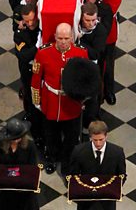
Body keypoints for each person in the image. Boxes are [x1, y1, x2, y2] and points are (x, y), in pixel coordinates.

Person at [31, 23, 89, 174]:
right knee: (51, 135)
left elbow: (85, 79)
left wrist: (82, 98)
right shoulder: (43, 53)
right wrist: (37, 100)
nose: (63, 42)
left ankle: (67, 164)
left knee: (71, 138)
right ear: (55, 37)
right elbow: (36, 78)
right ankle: (51, 158)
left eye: (66, 38)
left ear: (72, 37)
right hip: (51, 101)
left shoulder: (81, 53)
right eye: (60, 38)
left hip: (71, 102)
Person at [68, 120, 126, 210]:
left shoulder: (117, 152)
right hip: (86, 200)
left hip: (107, 200)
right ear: (90, 137)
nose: (98, 143)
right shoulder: (78, 151)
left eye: (101, 139)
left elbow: (122, 175)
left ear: (106, 136)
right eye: (95, 140)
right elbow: (73, 176)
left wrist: (110, 190)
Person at [0, 118, 39, 210]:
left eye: (20, 137)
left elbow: (32, 168)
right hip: (5, 190)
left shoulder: (30, 146)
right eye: (14, 138)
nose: (17, 140)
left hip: (22, 190)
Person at [13, 4, 44, 150]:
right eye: (27, 21)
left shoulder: (41, 28)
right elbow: (23, 55)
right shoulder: (20, 33)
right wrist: (37, 49)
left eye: (32, 20)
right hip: (28, 72)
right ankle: (36, 132)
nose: (30, 24)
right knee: (31, 99)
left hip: (42, 73)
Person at [94, 0, 121, 105]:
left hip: (108, 33)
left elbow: (109, 12)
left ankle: (109, 91)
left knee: (108, 65)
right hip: (92, 32)